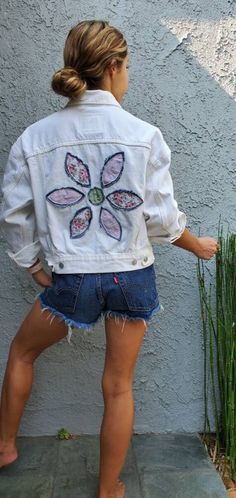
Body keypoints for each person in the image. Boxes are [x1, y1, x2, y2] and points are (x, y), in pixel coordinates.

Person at [0, 19, 219, 498]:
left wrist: (33, 265)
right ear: (115, 66)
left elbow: (13, 215)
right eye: (128, 67)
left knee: (21, 352)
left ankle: (5, 447)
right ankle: (108, 488)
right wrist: (198, 244)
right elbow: (161, 221)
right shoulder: (144, 135)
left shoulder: (34, 138)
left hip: (71, 280)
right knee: (117, 386)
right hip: (131, 276)